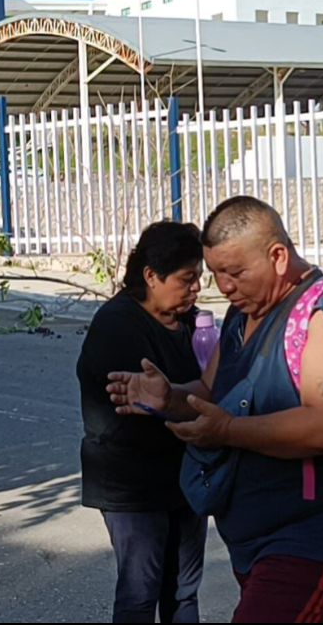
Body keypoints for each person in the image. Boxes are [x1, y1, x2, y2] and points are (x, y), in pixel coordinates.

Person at [108, 197, 323, 624]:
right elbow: (209, 390)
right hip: (255, 541)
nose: (223, 287)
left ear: (277, 256)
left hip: (312, 540)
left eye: (235, 272)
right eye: (216, 273)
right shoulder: (243, 314)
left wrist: (228, 431)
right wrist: (168, 397)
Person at [76, 221, 209, 624]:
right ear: (151, 276)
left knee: (184, 593)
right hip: (132, 481)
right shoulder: (117, 326)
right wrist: (185, 397)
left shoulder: (194, 324)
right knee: (140, 592)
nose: (196, 289)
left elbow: (211, 387)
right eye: (187, 279)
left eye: (199, 279)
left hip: (184, 475)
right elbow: (148, 403)